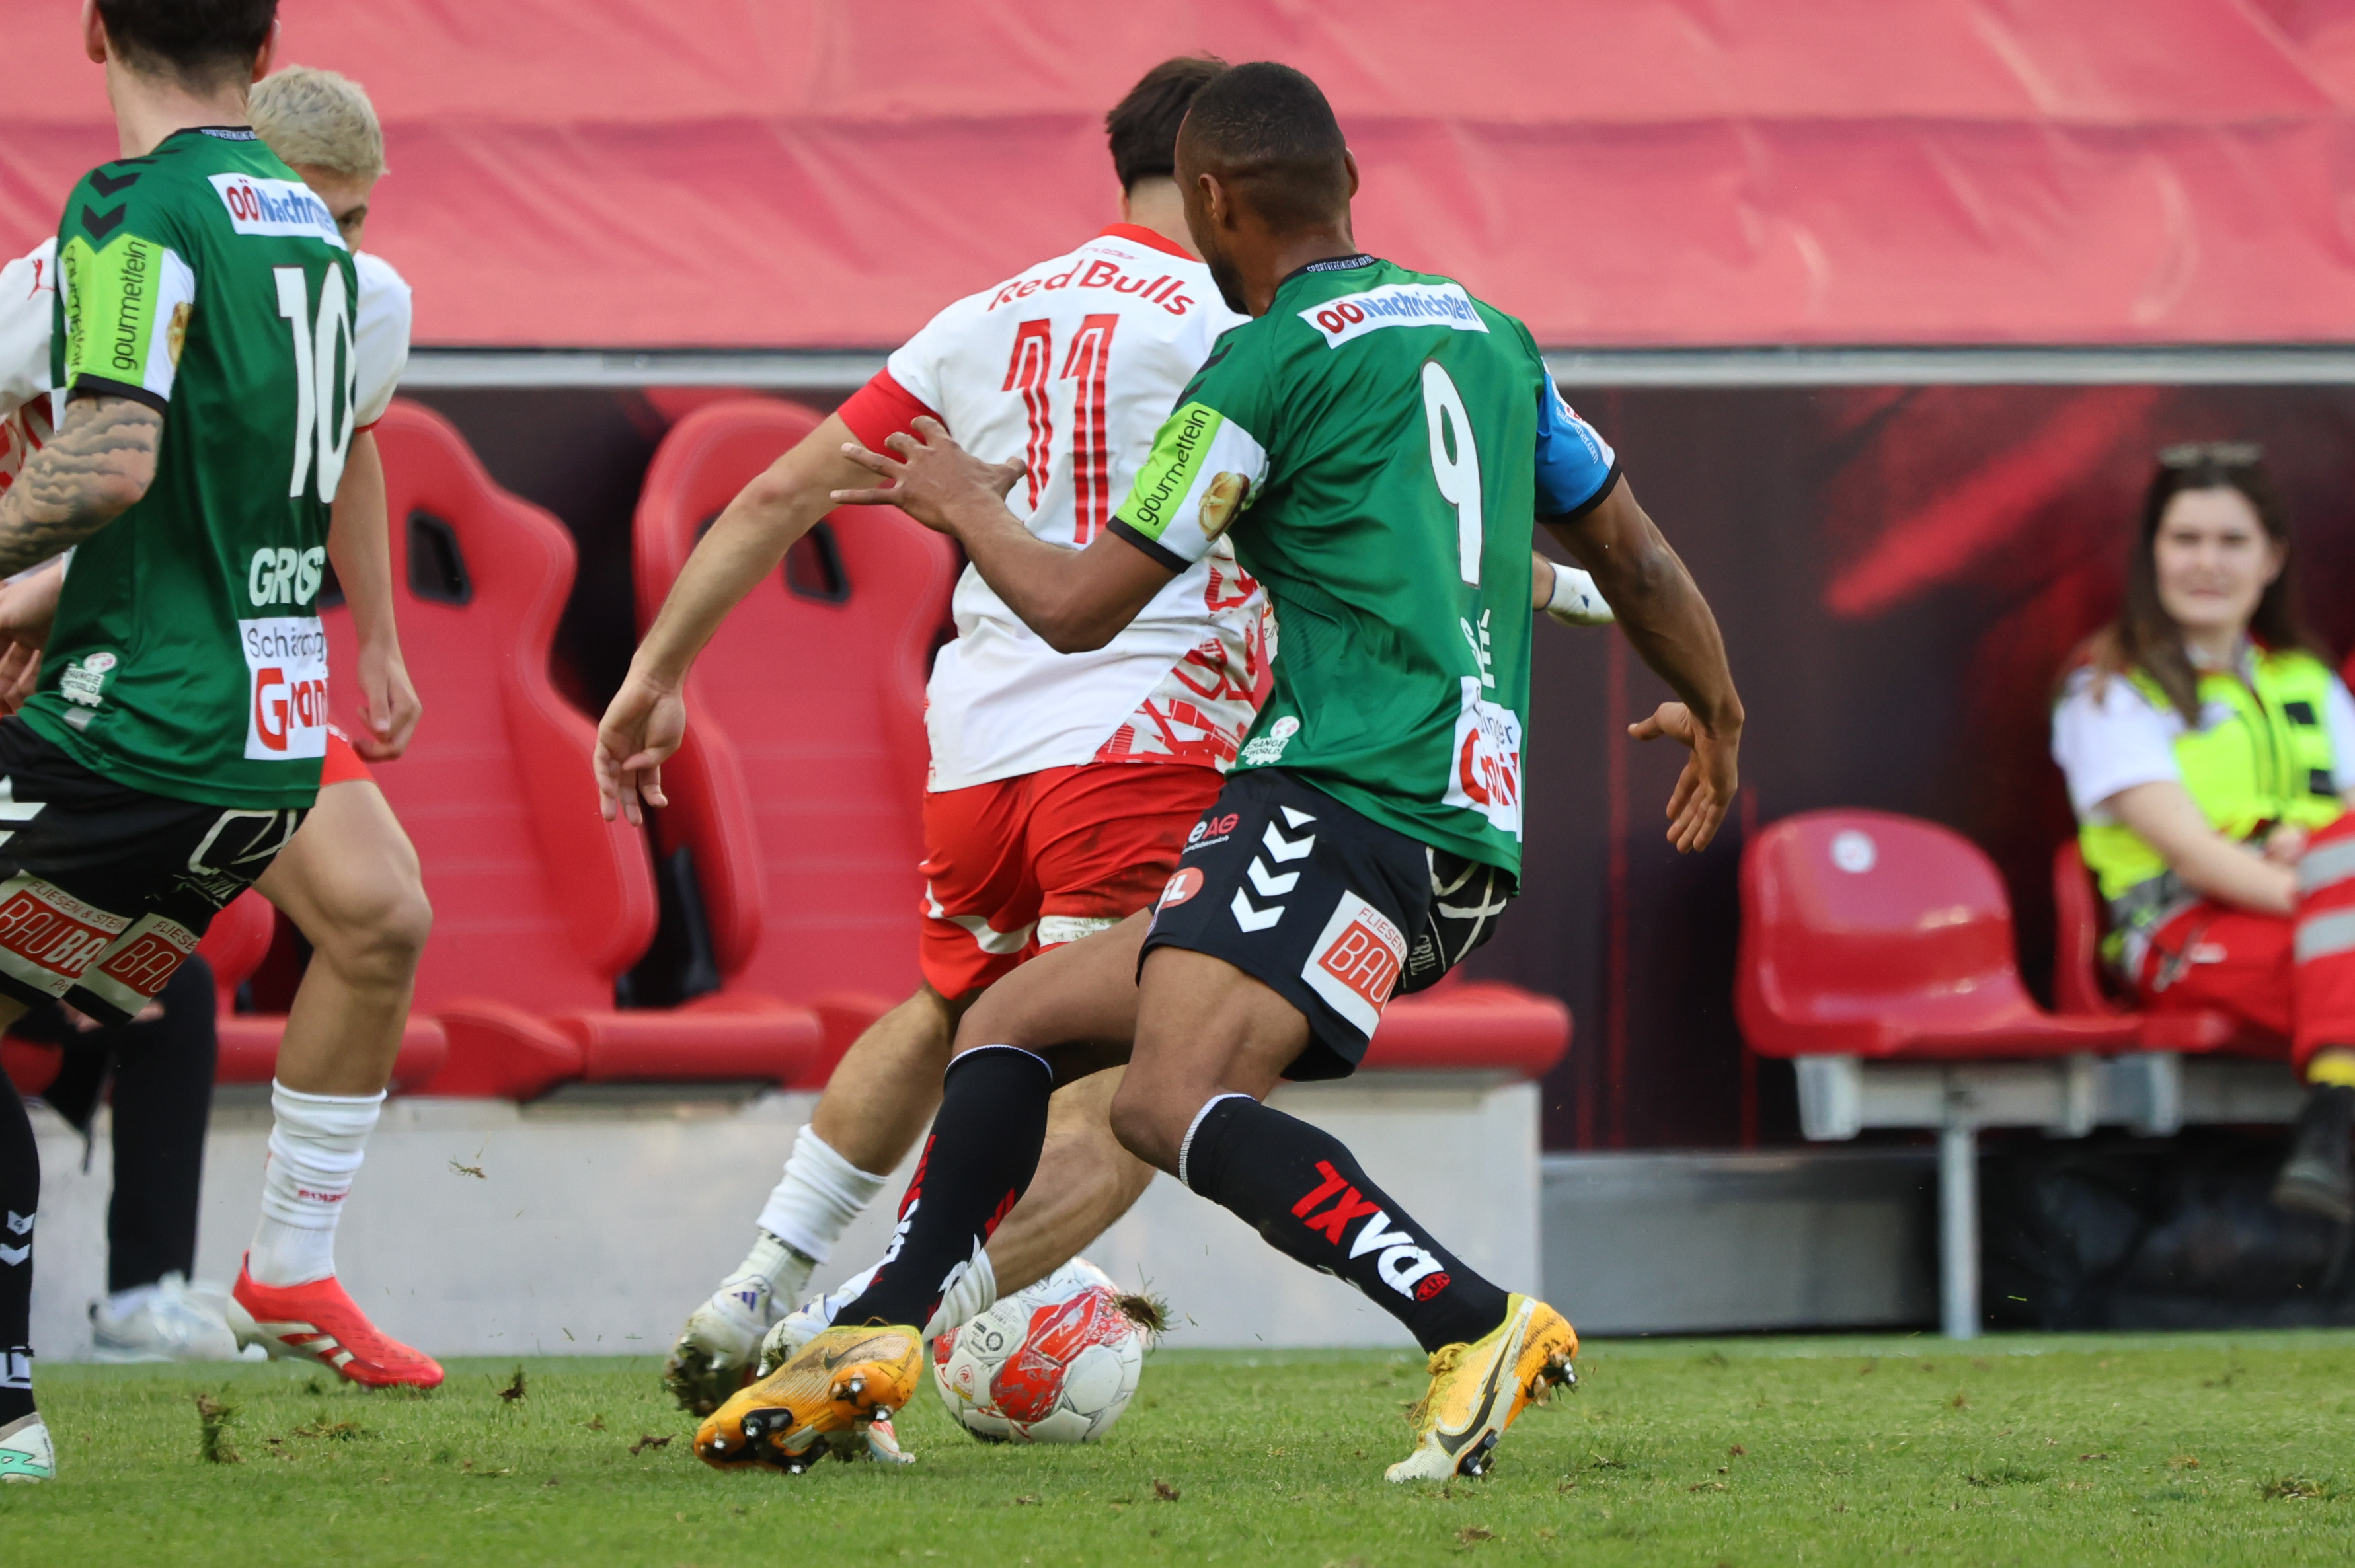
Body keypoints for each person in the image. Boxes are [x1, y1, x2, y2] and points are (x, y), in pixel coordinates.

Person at [696, 61, 1742, 1483]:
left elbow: (1075, 607)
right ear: (1348, 184)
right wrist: (1716, 709)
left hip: (1341, 790)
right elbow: (1638, 559)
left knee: (1162, 1100)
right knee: (1015, 1014)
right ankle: (871, 1334)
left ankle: (1474, 1320)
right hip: (1451, 824)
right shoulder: (1492, 337)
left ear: (1207, 203)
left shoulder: (1254, 366)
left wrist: (957, 503)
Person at [0, 62, 438, 1384]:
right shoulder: (72, 279)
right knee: (135, 979)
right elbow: (113, 476)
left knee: (381, 915)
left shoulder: (363, 296)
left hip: (241, 660)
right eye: (323, 211)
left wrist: (381, 637)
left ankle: (286, 1264)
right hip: (99, 666)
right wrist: (25, 602)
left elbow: (344, 444)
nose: (341, 245)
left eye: (358, 219)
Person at [2051, 442, 2355, 1222]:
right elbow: (2190, 854)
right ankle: (2335, 1126)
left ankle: (2336, 1125)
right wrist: (2320, 891)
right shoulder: (2109, 690)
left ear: (2270, 559)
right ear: (2151, 555)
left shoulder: (2309, 681)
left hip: (2318, 925)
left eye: (2230, 541)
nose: (2206, 563)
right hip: (2181, 935)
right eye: (2184, 540)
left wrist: (2314, 852)